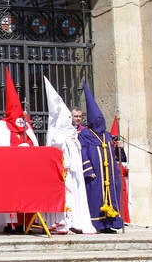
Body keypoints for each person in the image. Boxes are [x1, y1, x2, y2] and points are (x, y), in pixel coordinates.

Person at [43, 77, 96, 234]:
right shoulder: (56, 134)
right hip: (63, 172)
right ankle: (63, 223)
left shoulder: (72, 132)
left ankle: (77, 222)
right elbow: (56, 147)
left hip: (75, 173)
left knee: (76, 197)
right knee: (66, 197)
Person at [0, 68, 39, 232]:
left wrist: (28, 148)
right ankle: (11, 224)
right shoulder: (2, 126)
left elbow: (35, 146)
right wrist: (17, 150)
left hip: (28, 172)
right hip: (10, 171)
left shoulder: (27, 127)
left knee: (28, 196)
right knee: (11, 197)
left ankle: (27, 222)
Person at [79, 82, 123, 233]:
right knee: (95, 197)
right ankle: (98, 224)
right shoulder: (85, 134)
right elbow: (83, 152)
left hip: (109, 174)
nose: (99, 121)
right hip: (95, 174)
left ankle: (111, 223)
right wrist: (88, 169)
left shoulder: (107, 135)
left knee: (112, 197)